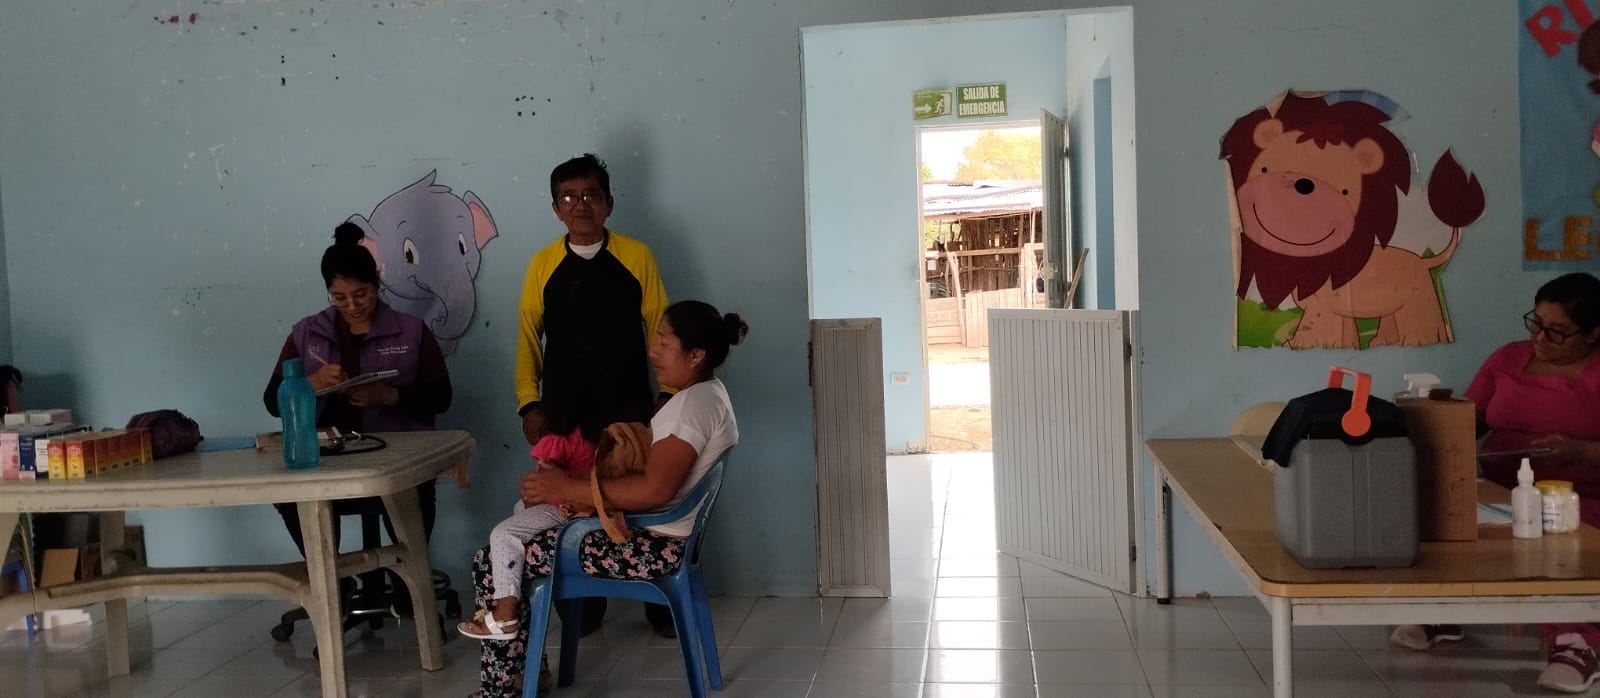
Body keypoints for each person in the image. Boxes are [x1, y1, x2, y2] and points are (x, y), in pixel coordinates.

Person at [475, 300, 745, 697]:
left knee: (493, 560)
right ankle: (526, 674)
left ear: (695, 355)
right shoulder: (709, 394)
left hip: (650, 546)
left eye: (664, 342)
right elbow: (653, 479)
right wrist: (573, 483)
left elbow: (655, 490)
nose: (653, 351)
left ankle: (506, 687)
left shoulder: (691, 409)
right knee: (518, 541)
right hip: (662, 537)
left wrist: (563, 488)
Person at [1390, 272, 1600, 693]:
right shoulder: (1508, 357)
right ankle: (1444, 612)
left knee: (1550, 536)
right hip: (1499, 488)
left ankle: (1576, 643)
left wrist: (1578, 451)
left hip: (1578, 497)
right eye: (1536, 323)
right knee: (1445, 512)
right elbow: (1471, 419)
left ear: (1593, 333)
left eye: (1557, 332)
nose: (1540, 338)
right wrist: (1438, 433)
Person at [514, 153, 673, 637]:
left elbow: (660, 326)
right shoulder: (543, 264)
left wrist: (667, 394)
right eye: (568, 197)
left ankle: (661, 602)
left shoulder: (637, 256)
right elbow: (527, 338)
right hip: (564, 413)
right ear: (555, 208)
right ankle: (583, 605)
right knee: (568, 504)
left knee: (639, 502)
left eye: (590, 195)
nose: (579, 205)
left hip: (627, 409)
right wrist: (529, 404)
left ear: (608, 204)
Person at [263, 222, 453, 614]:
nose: (351, 305)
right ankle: (333, 579)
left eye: (361, 294)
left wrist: (390, 395)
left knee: (412, 491)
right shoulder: (307, 333)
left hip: (397, 454)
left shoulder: (410, 331)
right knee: (291, 496)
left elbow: (441, 397)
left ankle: (408, 580)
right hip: (326, 454)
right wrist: (308, 384)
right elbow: (271, 400)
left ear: (377, 284)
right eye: (339, 298)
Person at [456, 426, 597, 640]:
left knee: (503, 535)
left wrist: (532, 499)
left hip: (564, 509)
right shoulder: (594, 435)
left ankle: (504, 617)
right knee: (518, 510)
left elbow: (541, 487)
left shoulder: (557, 439)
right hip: (587, 509)